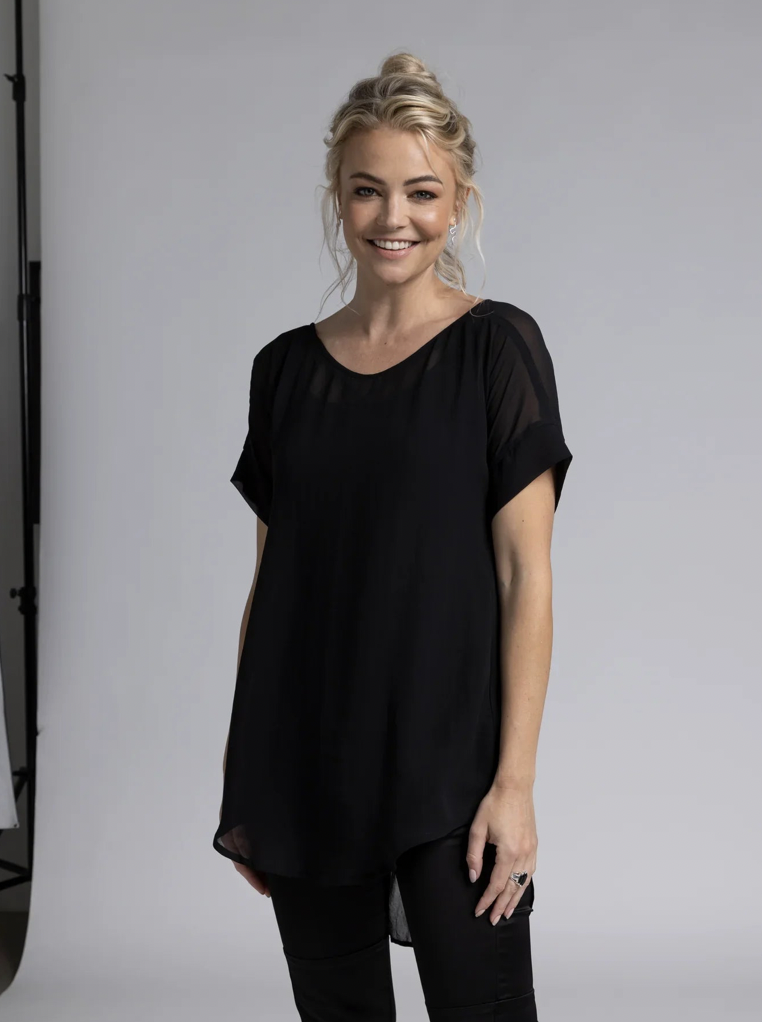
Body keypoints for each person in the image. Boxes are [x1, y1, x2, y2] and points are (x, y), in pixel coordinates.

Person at [214, 51, 573, 1022]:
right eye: (367, 189)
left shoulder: (498, 350)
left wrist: (515, 784)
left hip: (451, 765)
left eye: (421, 191)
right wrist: (248, 774)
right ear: (339, 199)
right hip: (308, 758)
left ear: (458, 203)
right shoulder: (284, 372)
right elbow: (270, 584)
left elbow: (526, 577)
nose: (393, 216)